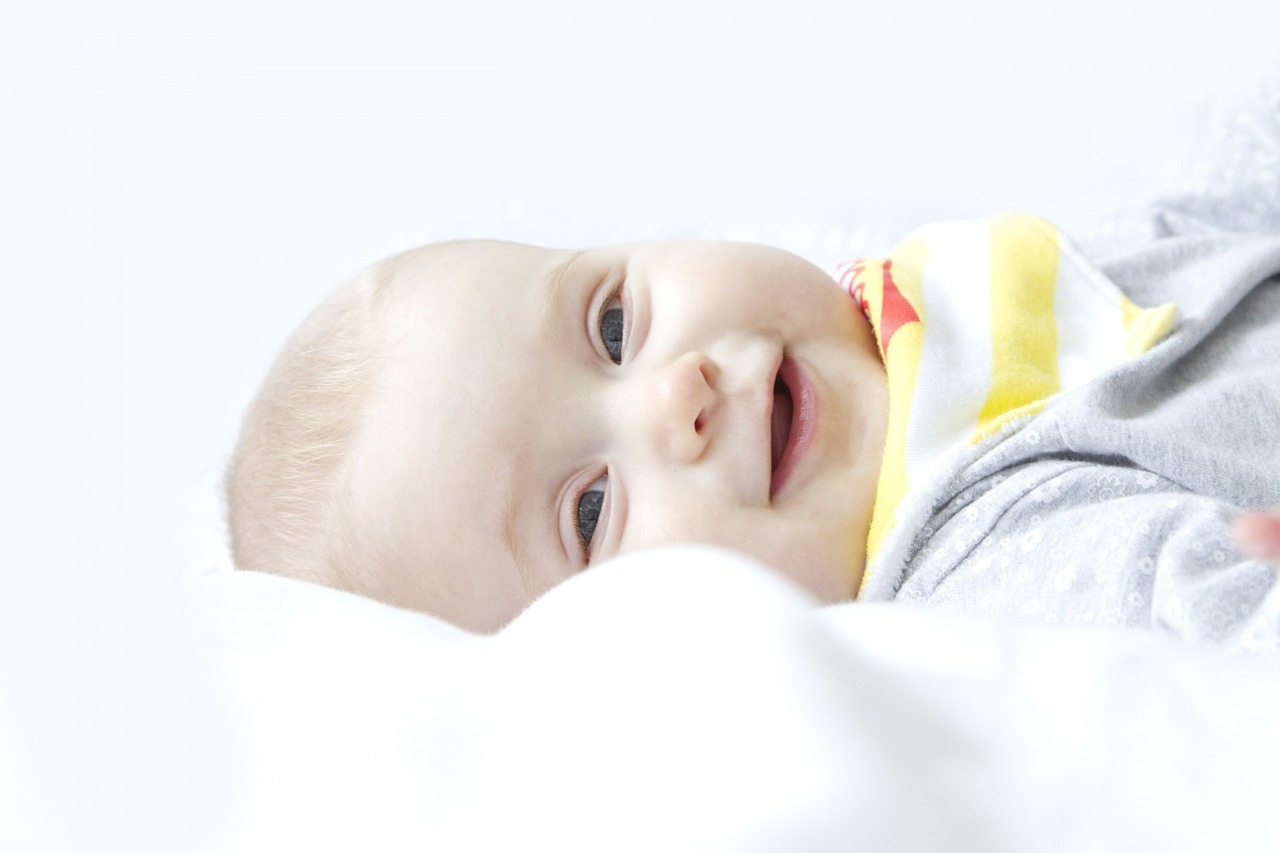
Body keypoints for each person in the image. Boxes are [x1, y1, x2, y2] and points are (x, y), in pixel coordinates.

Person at [226, 76, 1280, 646]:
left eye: (612, 327)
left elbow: (1200, 223)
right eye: (589, 511)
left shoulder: (917, 299)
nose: (673, 396)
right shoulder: (1001, 573)